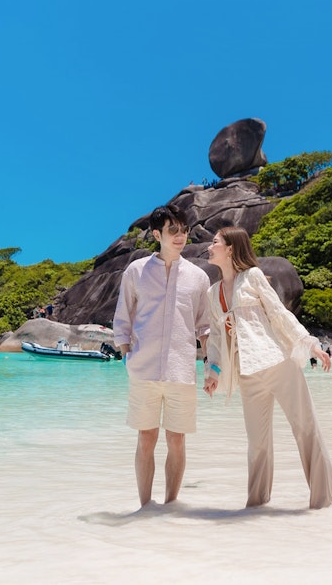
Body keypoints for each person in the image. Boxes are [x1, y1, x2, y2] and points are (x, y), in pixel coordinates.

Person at [203, 226, 332, 510]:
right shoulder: (213, 293)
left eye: (215, 242)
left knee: (305, 429)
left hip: (277, 362)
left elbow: (278, 313)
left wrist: (310, 344)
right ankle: (256, 507)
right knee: (258, 445)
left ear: (230, 249)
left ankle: (324, 502)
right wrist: (212, 373)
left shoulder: (251, 276)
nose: (209, 246)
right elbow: (216, 336)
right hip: (248, 373)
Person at [112, 205, 211, 507]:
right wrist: (128, 355)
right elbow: (123, 319)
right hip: (143, 370)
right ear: (157, 234)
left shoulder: (198, 277)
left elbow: (205, 326)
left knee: (177, 441)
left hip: (182, 371)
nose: (180, 236)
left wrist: (210, 364)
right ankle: (144, 507)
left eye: (183, 230)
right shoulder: (136, 271)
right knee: (146, 438)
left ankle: (170, 505)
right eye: (173, 230)